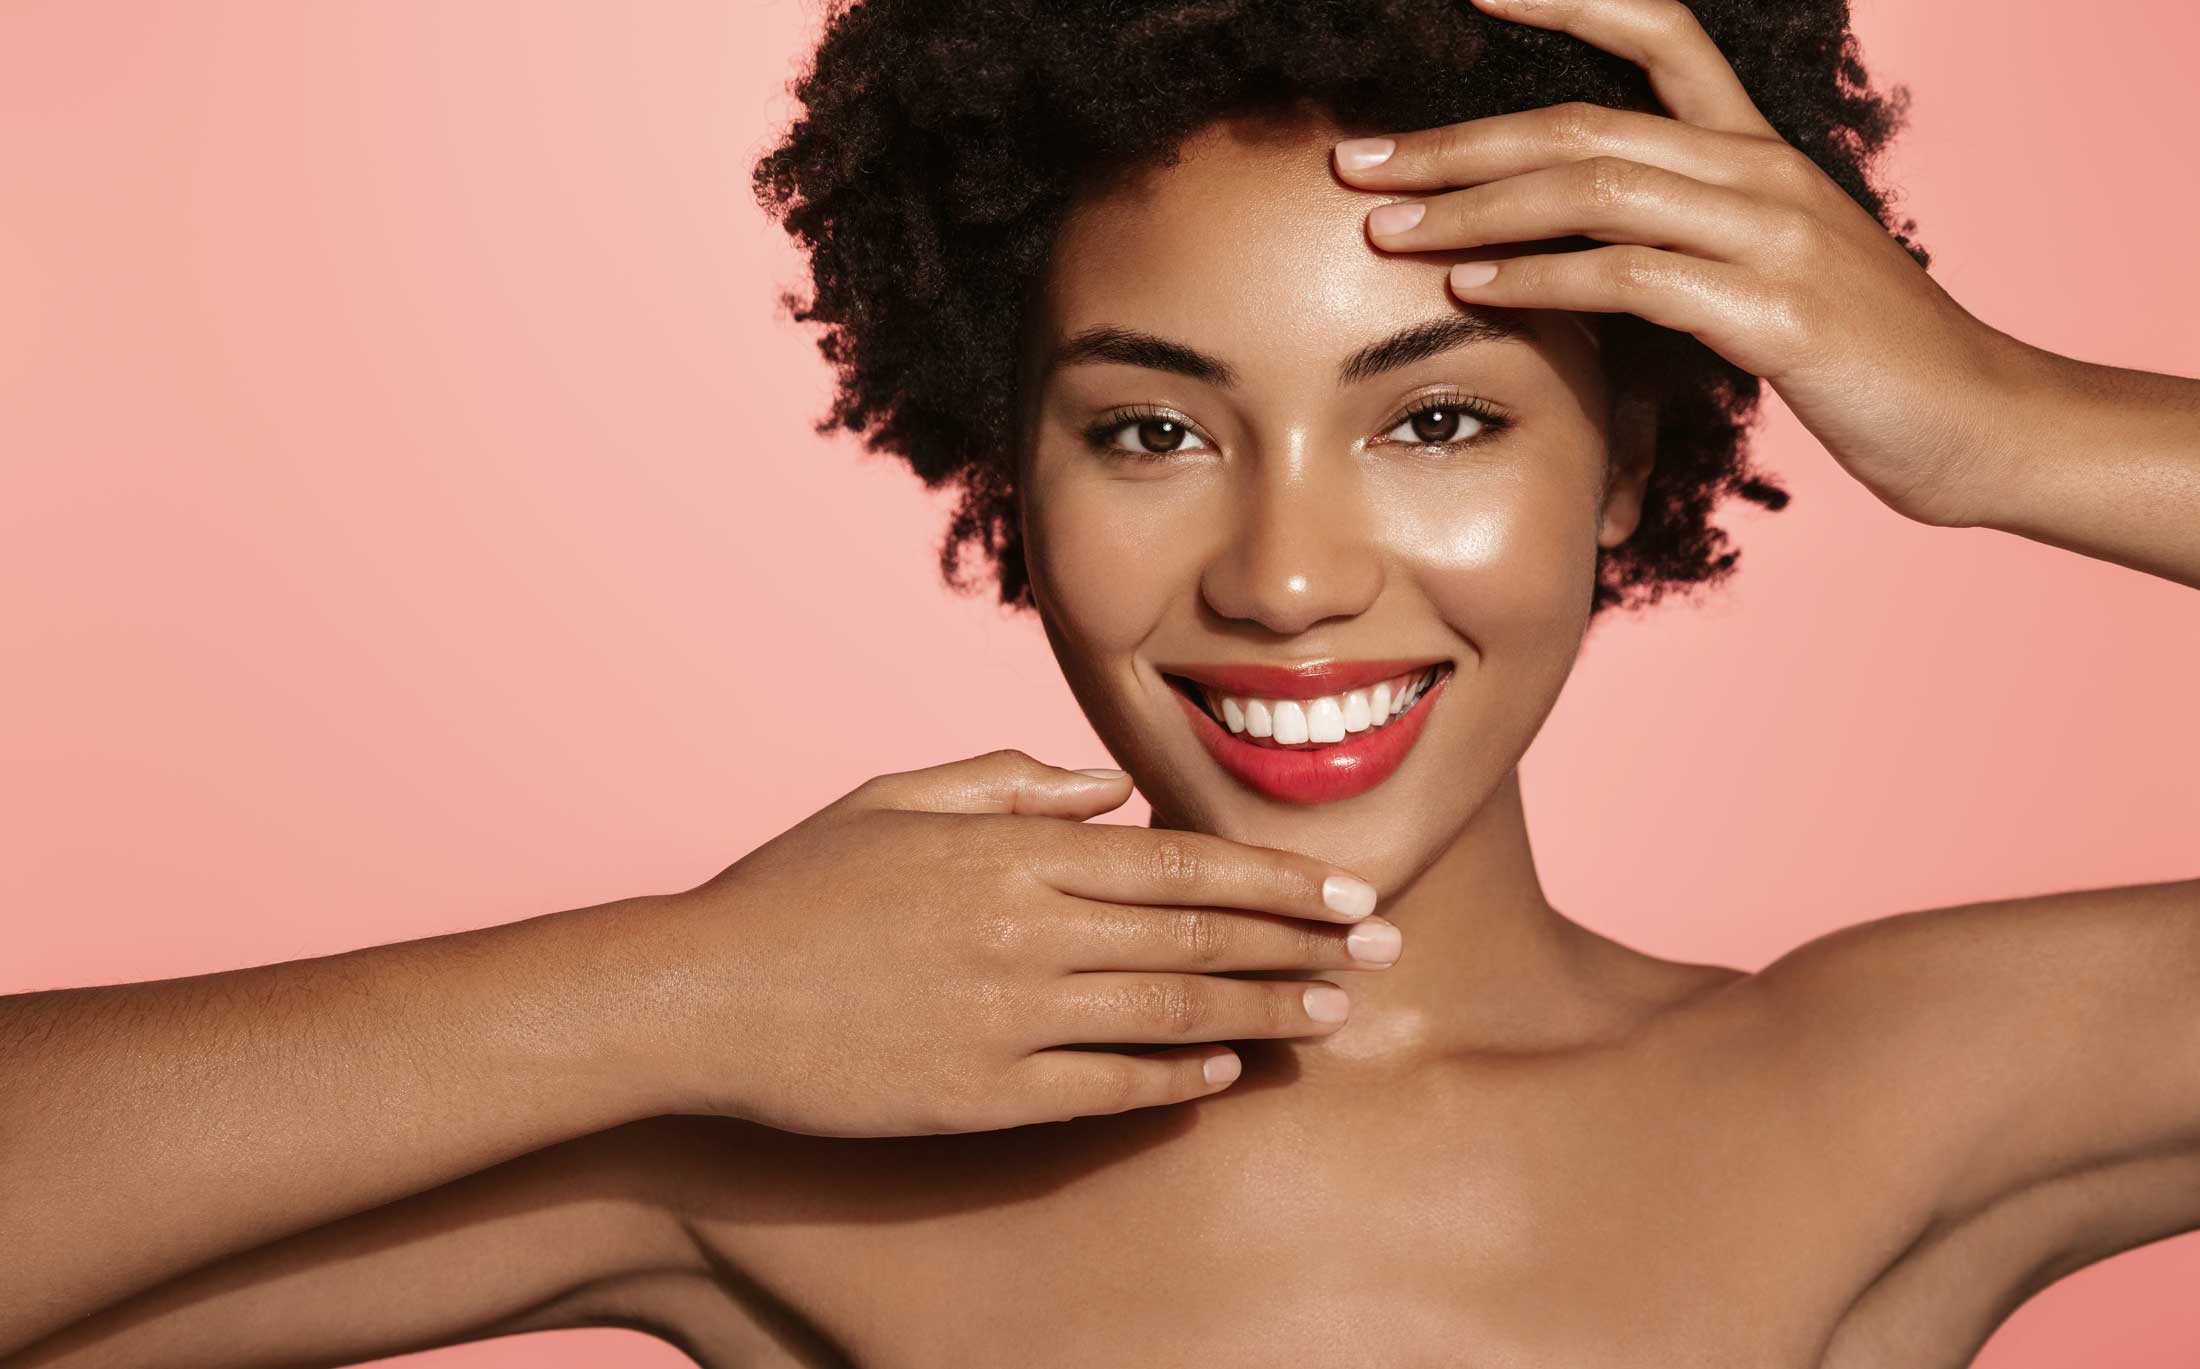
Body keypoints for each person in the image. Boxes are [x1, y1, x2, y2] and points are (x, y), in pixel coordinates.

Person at [7, 0, 2197, 1364]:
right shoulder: (777, 1142)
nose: (1282, 570)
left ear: (1627, 464)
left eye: (1434, 420)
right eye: (1150, 430)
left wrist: (2003, 424)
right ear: (1009, 466)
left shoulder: (1889, 1091)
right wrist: (652, 996)